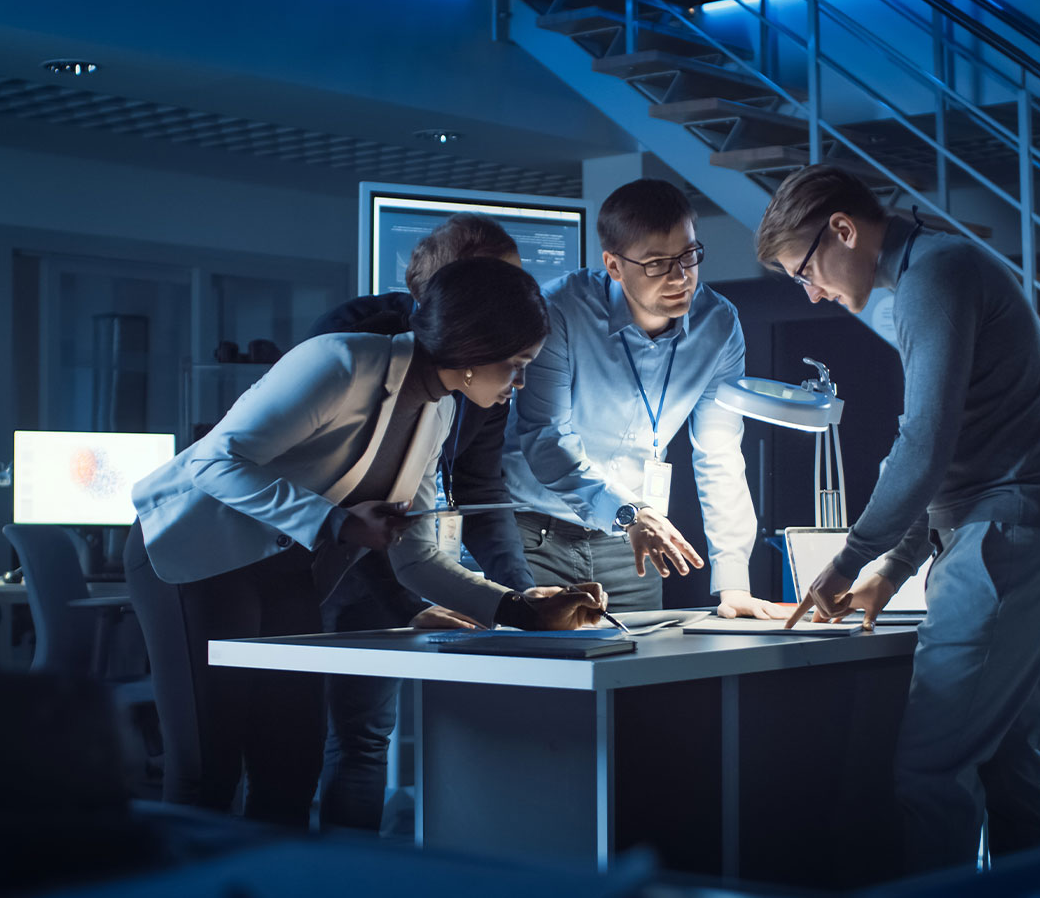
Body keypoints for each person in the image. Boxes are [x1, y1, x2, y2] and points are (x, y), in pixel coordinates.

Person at [123, 257, 605, 827]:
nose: (519, 383)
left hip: (282, 569)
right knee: (209, 768)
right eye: (516, 365)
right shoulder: (341, 362)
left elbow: (415, 555)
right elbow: (212, 461)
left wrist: (518, 608)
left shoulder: (439, 410)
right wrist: (338, 524)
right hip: (192, 555)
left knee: (290, 768)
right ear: (474, 353)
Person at [759, 164, 1040, 873]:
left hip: (1006, 542)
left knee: (929, 775)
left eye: (806, 270)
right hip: (1024, 538)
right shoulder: (936, 267)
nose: (812, 292)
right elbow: (949, 449)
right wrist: (895, 568)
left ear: (843, 230)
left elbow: (925, 443)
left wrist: (851, 560)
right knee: (1012, 771)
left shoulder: (933, 278)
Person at [306, 213, 538, 832]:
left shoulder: (495, 363)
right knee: (352, 737)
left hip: (419, 553)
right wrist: (406, 601)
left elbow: (480, 486)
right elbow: (339, 498)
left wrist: (519, 595)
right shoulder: (356, 342)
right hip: (339, 560)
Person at [505, 178, 789, 618]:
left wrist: (733, 582)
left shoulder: (719, 323)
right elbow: (546, 436)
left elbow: (720, 453)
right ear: (614, 265)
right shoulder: (559, 310)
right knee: (539, 676)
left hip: (632, 542)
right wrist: (628, 512)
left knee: (636, 675)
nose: (680, 278)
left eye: (689, 256)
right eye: (657, 263)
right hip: (536, 535)